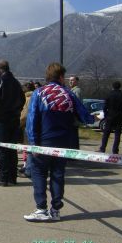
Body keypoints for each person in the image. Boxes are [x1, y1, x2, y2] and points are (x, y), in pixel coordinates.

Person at [24, 63, 94, 222]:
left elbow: (32, 119)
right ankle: (55, 210)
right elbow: (85, 117)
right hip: (64, 142)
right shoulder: (69, 94)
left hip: (43, 141)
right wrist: (96, 117)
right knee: (58, 175)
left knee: (39, 173)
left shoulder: (39, 93)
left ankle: (41, 208)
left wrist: (33, 142)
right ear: (61, 77)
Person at [0, 60, 25, 186]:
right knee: (12, 149)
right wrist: (16, 112)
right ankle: (12, 178)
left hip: (1, 121)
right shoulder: (17, 83)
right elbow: (22, 100)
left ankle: (3, 178)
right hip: (14, 120)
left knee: (2, 149)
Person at [98, 81, 122, 154]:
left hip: (110, 115)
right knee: (117, 134)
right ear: (120, 87)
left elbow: (105, 107)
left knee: (106, 133)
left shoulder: (109, 95)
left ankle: (102, 148)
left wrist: (106, 115)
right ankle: (115, 150)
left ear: (112, 87)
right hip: (119, 116)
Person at [18, 82, 36, 178]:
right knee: (30, 149)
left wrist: (18, 124)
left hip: (28, 126)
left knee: (29, 149)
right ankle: (28, 167)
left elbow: (24, 115)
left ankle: (29, 170)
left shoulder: (28, 99)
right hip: (35, 126)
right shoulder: (36, 97)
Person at [69, 76, 81, 149]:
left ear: (76, 81)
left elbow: (77, 103)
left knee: (73, 135)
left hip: (74, 116)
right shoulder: (71, 90)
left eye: (72, 80)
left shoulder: (77, 90)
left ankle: (74, 152)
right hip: (72, 116)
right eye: (70, 80)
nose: (70, 82)